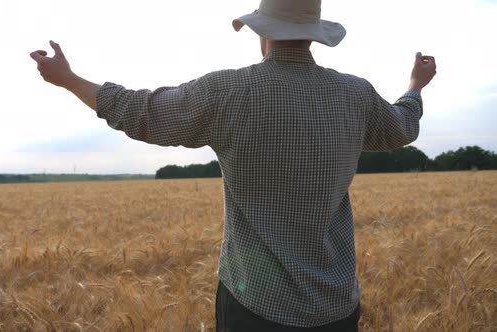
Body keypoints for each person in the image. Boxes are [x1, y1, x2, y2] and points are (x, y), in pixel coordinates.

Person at [30, 0, 436, 330]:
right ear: (314, 34)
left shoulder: (229, 91)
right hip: (336, 306)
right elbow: (404, 126)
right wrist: (415, 85)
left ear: (263, 31)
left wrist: (69, 79)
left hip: (254, 307)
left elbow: (141, 112)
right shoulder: (357, 95)